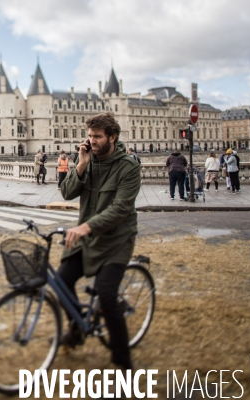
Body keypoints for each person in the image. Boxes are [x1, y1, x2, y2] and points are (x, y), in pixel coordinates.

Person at [59, 112, 141, 371]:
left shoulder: (128, 167)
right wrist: (80, 165)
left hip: (116, 240)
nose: (91, 141)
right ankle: (77, 328)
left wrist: (85, 227)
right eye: (90, 136)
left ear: (112, 137)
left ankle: (123, 367)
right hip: (88, 237)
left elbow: (120, 209)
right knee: (62, 281)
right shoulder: (87, 160)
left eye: (97, 136)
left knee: (106, 296)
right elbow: (67, 192)